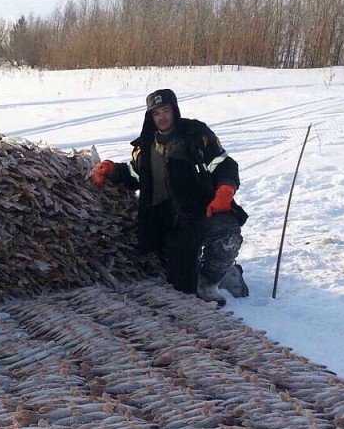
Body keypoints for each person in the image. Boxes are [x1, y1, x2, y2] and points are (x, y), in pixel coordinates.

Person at [90, 88, 248, 305]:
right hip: (174, 221)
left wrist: (225, 191)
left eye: (166, 110)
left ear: (174, 110)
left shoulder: (196, 135)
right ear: (150, 116)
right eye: (156, 113)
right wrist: (110, 169)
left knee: (227, 237)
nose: (162, 117)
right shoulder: (146, 146)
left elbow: (224, 164)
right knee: (182, 288)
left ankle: (211, 282)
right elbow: (136, 173)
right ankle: (221, 273)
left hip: (206, 208)